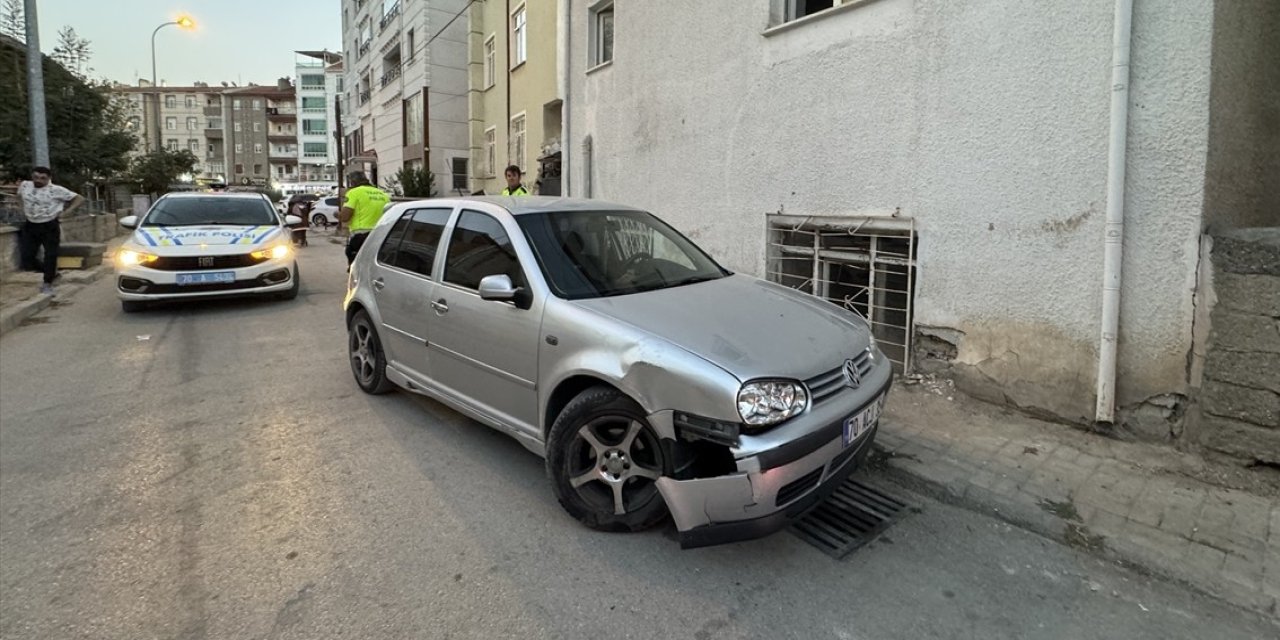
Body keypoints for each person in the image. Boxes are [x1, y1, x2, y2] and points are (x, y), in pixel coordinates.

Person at [16, 167, 83, 295]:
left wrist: (67, 212)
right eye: (36, 177)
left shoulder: (56, 190)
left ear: (49, 179)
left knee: (50, 255)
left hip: (49, 225)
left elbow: (79, 198)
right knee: (27, 258)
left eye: (43, 178)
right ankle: (52, 273)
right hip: (31, 225)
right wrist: (21, 209)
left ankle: (47, 282)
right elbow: (18, 196)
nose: (38, 180)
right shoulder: (25, 185)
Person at [337, 171, 390, 267]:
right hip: (381, 234)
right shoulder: (383, 194)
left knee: (354, 260)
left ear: (353, 182)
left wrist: (337, 215)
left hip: (361, 235)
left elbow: (345, 217)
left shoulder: (354, 193)